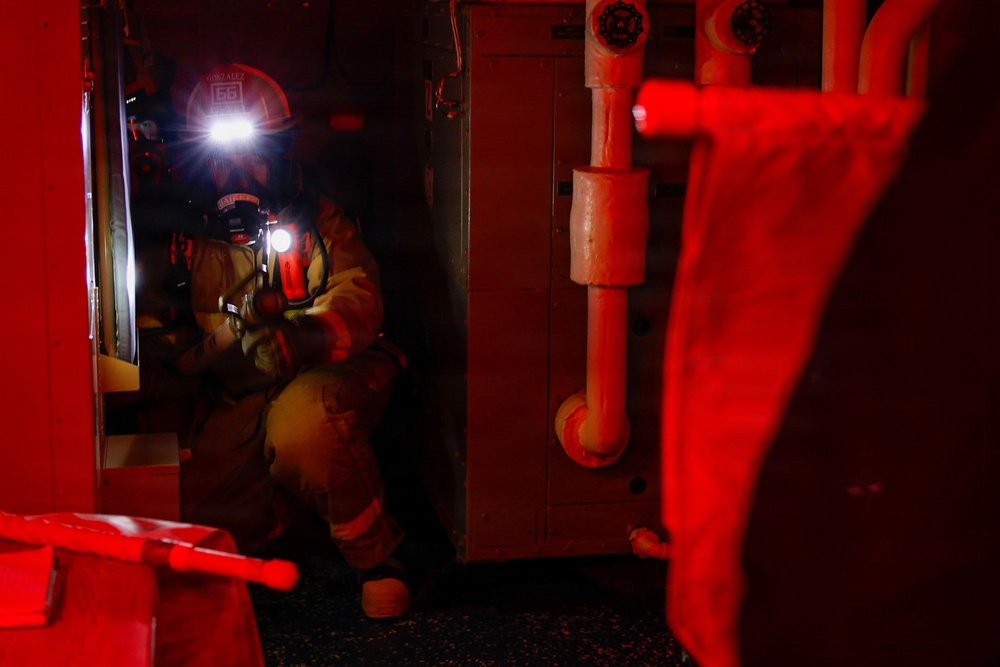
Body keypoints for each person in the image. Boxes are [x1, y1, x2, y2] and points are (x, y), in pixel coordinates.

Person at [125, 62, 411, 619]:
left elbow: (359, 301)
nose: (235, 174)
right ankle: (293, 509)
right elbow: (153, 332)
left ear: (280, 155)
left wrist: (304, 339)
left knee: (307, 429)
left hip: (319, 377)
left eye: (251, 156)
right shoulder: (174, 235)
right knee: (205, 515)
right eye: (218, 160)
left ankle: (378, 561)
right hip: (236, 394)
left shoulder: (315, 221)